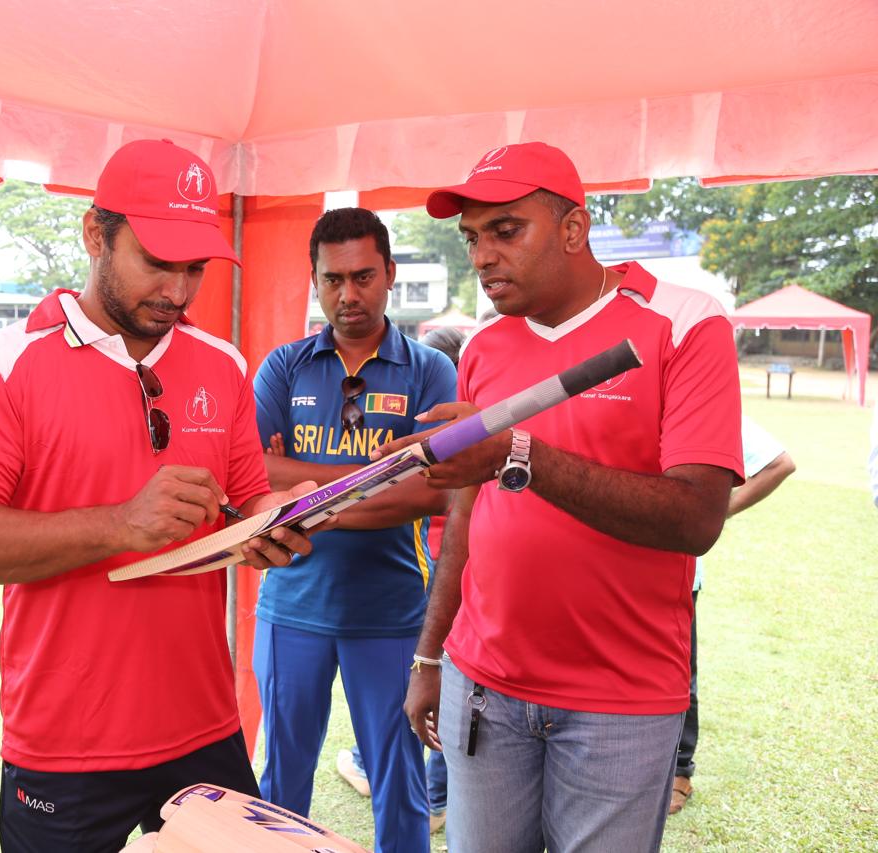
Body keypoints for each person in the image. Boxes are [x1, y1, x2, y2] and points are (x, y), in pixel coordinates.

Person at [0, 138, 320, 853]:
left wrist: (274, 524)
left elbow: (245, 498)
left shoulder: (222, 365)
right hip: (65, 744)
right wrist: (120, 523)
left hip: (204, 726)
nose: (178, 290)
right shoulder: (5, 366)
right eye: (157, 262)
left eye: (195, 268)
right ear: (95, 236)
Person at [382, 141, 743, 852]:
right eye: (472, 237)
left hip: (620, 701)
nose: (483, 256)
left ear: (574, 229)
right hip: (483, 681)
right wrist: (432, 658)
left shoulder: (682, 321)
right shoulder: (485, 348)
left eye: (506, 230)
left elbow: (697, 515)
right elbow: (466, 514)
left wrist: (520, 455)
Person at [251, 207, 456, 853]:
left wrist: (302, 491)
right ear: (313, 280)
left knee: (400, 785)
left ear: (390, 274)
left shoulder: (428, 369)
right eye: (332, 279)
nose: (348, 294)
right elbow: (251, 472)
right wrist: (379, 473)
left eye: (363, 275)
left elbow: (435, 486)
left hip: (392, 612)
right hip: (290, 608)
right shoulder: (283, 367)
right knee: (280, 783)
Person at [336, 324, 466, 835]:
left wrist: (321, 501)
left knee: (431, 693)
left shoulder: (458, 442)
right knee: (427, 695)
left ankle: (432, 795)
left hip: (425, 582)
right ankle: (426, 791)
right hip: (426, 577)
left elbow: (430, 495)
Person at [670, 415, 794, 813]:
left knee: (676, 676)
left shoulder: (695, 402)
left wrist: (713, 515)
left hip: (675, 576)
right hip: (603, 576)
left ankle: (679, 772)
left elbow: (778, 463)